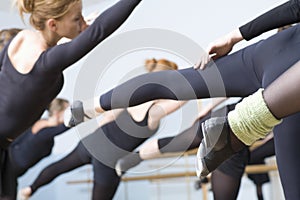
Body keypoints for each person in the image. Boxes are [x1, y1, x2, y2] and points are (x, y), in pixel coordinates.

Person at [65, 1, 300, 199]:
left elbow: (294, 7)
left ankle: (89, 106)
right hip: (286, 91)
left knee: (173, 84)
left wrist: (234, 36)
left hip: (273, 50)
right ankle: (237, 128)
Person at [20, 59, 188, 200]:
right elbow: (185, 96)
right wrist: (189, 80)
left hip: (91, 142)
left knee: (59, 166)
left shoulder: (131, 97)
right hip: (108, 158)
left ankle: (30, 188)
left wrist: (95, 138)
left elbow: (106, 117)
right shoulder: (153, 111)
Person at [0, 0, 142, 149]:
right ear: (53, 25)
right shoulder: (47, 62)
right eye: (76, 19)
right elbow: (99, 31)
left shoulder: (22, 38)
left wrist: (77, 28)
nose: (82, 21)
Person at [0, 98, 69, 199]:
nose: (69, 115)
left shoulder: (41, 124)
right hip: (8, 168)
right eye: (67, 112)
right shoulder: (45, 130)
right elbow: (63, 128)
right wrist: (84, 114)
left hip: (11, 169)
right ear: (57, 113)